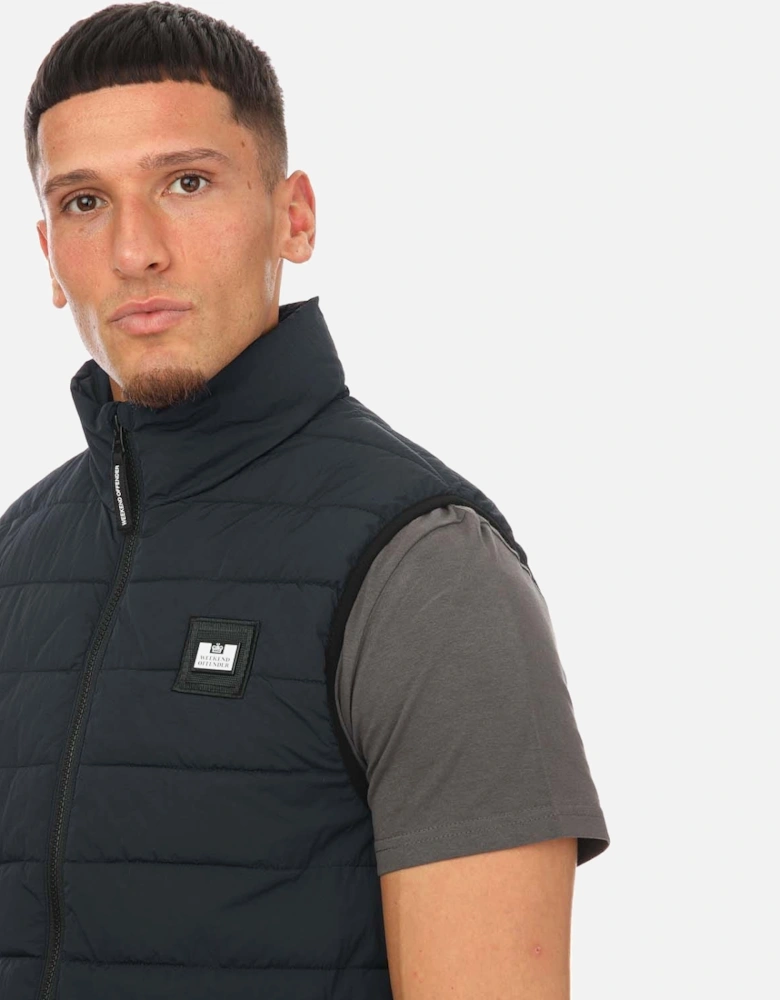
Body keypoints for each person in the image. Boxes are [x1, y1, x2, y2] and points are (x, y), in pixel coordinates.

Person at [0, 3, 610, 998]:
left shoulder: (425, 568)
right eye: (84, 201)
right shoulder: (17, 560)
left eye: (186, 183)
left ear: (295, 217)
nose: (134, 250)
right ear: (48, 254)